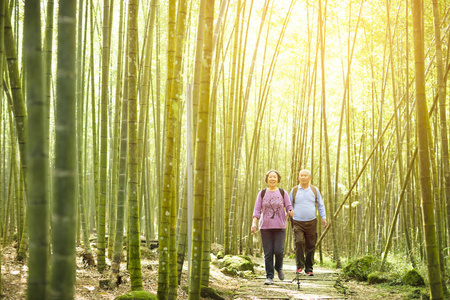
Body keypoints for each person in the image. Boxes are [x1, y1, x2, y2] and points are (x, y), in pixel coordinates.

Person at [251, 170, 294, 285]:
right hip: (265, 227)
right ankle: (269, 276)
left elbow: (288, 206)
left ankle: (278, 267)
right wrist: (254, 223)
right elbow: (256, 209)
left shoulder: (282, 192)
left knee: (279, 251)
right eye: (270, 177)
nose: (272, 179)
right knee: (268, 252)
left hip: (280, 226)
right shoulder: (262, 193)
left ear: (278, 179)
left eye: (274, 177)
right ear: (267, 179)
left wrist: (290, 211)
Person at [289, 169, 327, 276]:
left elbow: (320, 205)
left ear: (310, 178)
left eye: (306, 175)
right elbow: (288, 204)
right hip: (297, 222)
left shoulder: (314, 190)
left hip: (311, 222)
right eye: (301, 175)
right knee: (299, 242)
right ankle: (299, 266)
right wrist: (288, 212)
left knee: (311, 245)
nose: (304, 177)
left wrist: (323, 217)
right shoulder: (295, 190)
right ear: (298, 178)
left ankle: (309, 268)